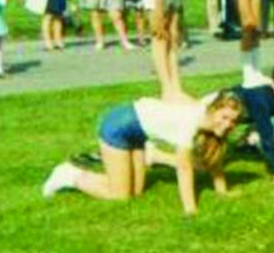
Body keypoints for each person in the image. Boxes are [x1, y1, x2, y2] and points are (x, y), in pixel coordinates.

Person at [42, 91, 243, 216]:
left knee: (136, 193)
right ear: (213, 110)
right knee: (120, 196)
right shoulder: (189, 125)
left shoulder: (212, 108)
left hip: (138, 133)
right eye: (224, 117)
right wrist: (190, 210)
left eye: (233, 121)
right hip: (118, 126)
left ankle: (99, 176)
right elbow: (184, 170)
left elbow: (214, 157)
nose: (227, 124)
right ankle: (68, 175)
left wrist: (222, 191)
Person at [232, 60, 274, 183]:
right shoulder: (261, 99)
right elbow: (267, 135)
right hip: (234, 106)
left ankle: (247, 140)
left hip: (253, 113)